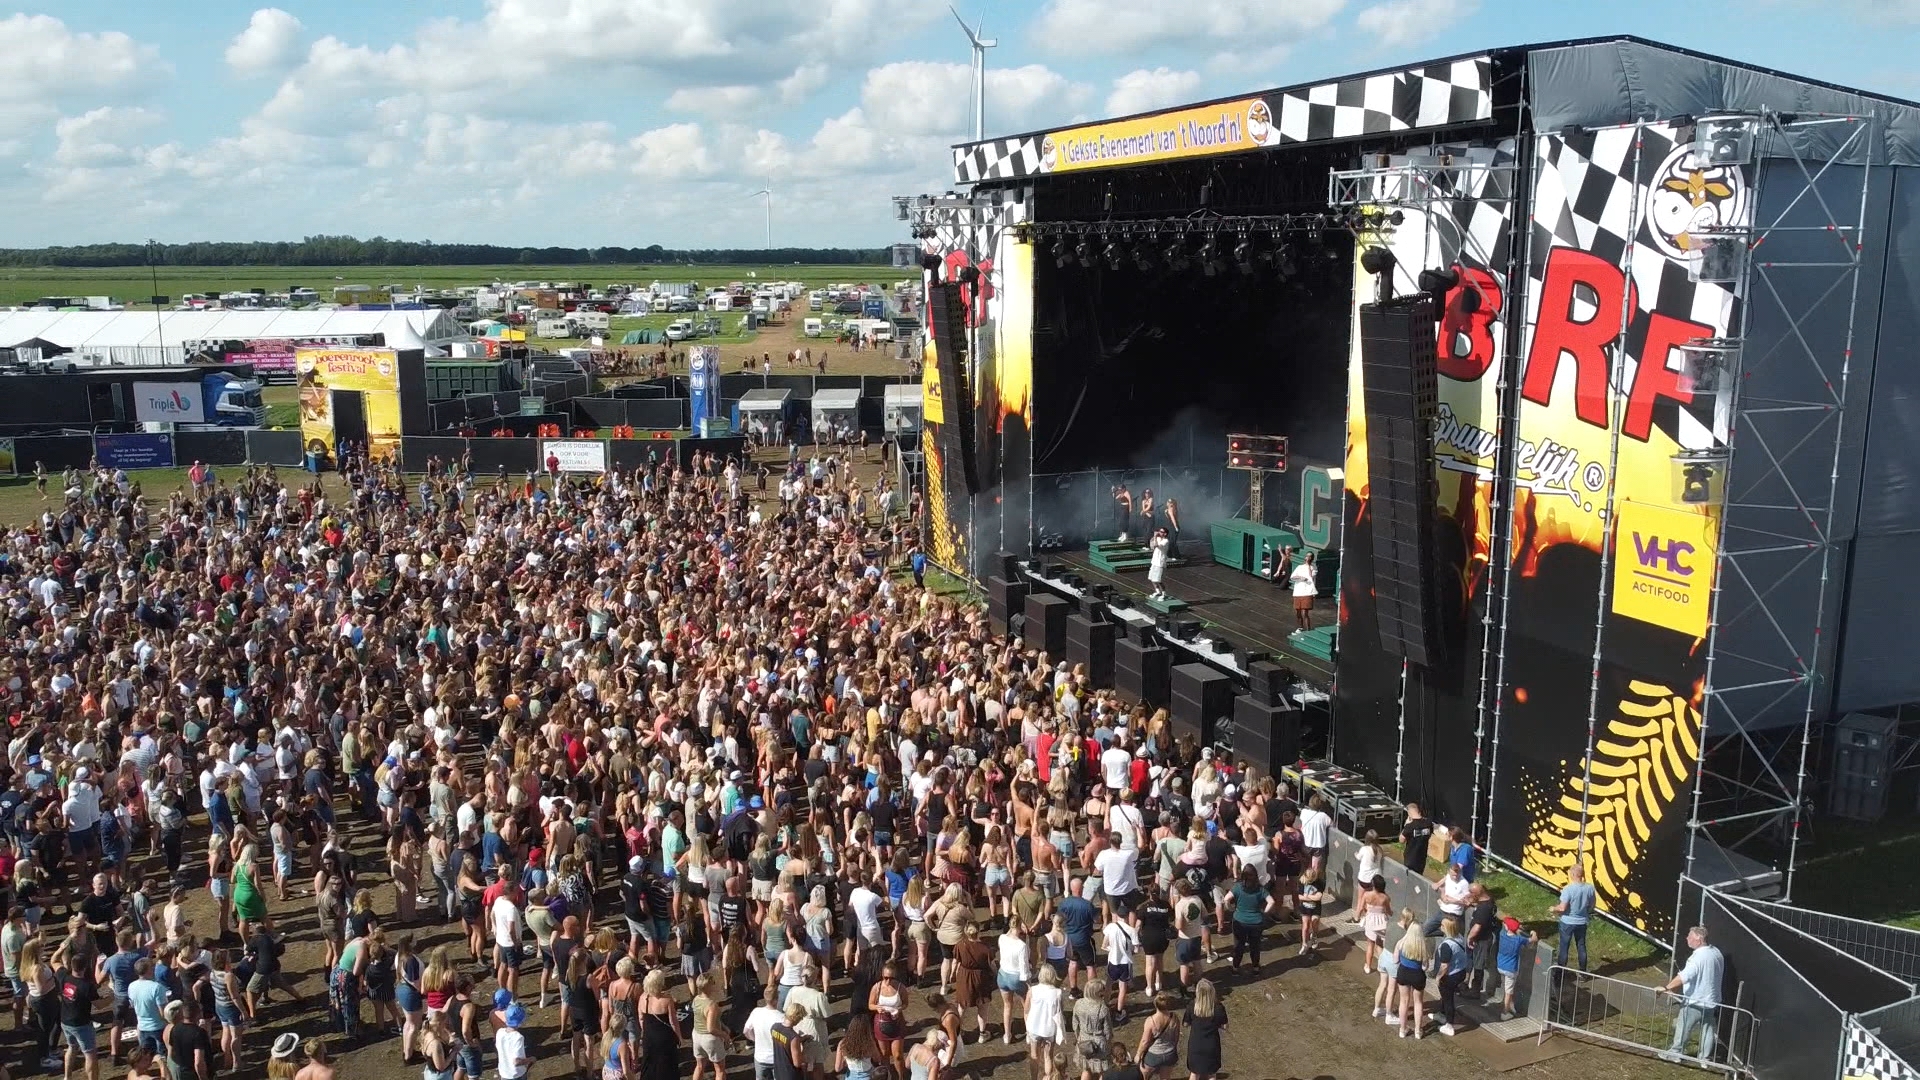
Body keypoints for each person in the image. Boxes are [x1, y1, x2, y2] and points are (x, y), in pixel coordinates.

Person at [1662, 926, 1725, 1063]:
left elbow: (1684, 977)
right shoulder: (1716, 952)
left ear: (1699, 939)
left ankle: (1676, 1053)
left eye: (1690, 937)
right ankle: (1705, 1059)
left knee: (1683, 1028)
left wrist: (1666, 987)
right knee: (1708, 1030)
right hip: (1711, 1000)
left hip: (1695, 1001)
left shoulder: (1697, 958)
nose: (1687, 939)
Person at [1550, 862, 1596, 972]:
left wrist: (1553, 908)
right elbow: (1592, 905)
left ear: (1574, 874)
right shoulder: (1589, 888)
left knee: (1564, 947)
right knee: (1581, 946)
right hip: (1582, 922)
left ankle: (1560, 972)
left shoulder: (1568, 889)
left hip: (1567, 922)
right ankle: (1582, 972)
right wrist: (1586, 913)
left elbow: (1562, 908)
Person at [1025, 964, 1067, 1080]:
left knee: (1034, 1056)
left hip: (1034, 1027)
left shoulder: (1032, 990)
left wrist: (1027, 1027)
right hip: (1049, 1029)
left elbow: (1026, 1010)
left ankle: (1034, 1078)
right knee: (1048, 1056)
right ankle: (1048, 1077)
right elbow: (1060, 1011)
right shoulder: (1057, 993)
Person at [1494, 916, 1539, 1021]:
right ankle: (1505, 1012)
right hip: (1511, 969)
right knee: (1509, 990)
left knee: (1506, 986)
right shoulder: (1519, 939)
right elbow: (1533, 939)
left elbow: (1506, 927)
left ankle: (1510, 1005)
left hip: (1500, 966)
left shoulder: (1502, 935)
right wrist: (1533, 932)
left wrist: (1514, 928)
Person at [1184, 978, 1227, 1080]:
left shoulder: (1192, 1006)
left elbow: (1185, 1024)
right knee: (1211, 1074)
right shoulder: (1218, 1007)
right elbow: (1225, 1026)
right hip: (1212, 1045)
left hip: (1196, 1045)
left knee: (1194, 1074)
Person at [1071, 977, 1113, 1080]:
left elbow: (1075, 1024)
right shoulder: (1102, 1008)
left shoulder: (1078, 1004)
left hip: (1084, 1039)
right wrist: (1109, 1042)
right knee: (1102, 1070)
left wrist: (1077, 1037)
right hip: (1099, 1042)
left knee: (1086, 1069)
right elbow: (1108, 1030)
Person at [1394, 926, 1431, 1039]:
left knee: (1404, 1001)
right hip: (1417, 975)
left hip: (1403, 972)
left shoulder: (1401, 943)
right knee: (1418, 1002)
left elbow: (1395, 960)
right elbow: (1425, 967)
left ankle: (1402, 1029)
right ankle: (1418, 1031)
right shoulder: (1423, 947)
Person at [1134, 992, 1181, 1080]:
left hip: (1154, 1054)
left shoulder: (1151, 1021)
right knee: (1165, 1077)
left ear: (1155, 1005)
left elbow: (1145, 1041)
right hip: (1169, 1052)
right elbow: (1176, 1036)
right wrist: (1173, 1048)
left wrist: (1138, 1054)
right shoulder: (1174, 1017)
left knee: (1143, 1073)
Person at [494, 1004, 530, 1080]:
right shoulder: (518, 1037)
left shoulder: (500, 1032)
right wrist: (530, 1060)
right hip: (517, 1074)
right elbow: (516, 1062)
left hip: (504, 1072)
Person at [1400, 802, 1434, 876]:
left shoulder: (1410, 826)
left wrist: (1406, 825)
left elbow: (1401, 840)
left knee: (1409, 878)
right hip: (1422, 858)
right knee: (1419, 877)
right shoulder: (1428, 823)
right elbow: (1430, 834)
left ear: (1409, 813)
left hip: (1410, 858)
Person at [1147, 529, 1172, 602]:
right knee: (1151, 578)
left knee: (1158, 580)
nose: (1159, 533)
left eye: (1162, 532)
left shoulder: (1166, 541)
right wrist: (1154, 537)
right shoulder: (1157, 538)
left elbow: (1156, 545)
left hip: (1160, 563)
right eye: (1159, 531)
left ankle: (1164, 594)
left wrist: (1155, 537)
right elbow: (1152, 546)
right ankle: (1157, 591)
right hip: (1154, 561)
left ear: (1165, 534)